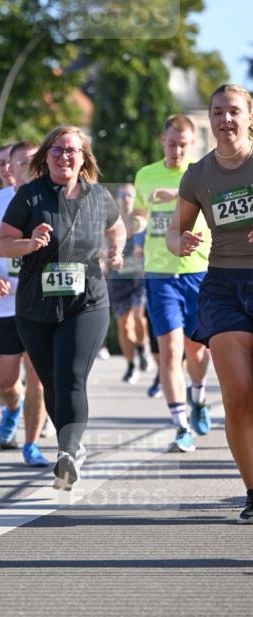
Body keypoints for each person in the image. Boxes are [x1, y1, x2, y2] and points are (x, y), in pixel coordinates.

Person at [0, 125, 125, 490]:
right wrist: (30, 243)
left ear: (83, 158)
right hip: (36, 306)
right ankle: (72, 445)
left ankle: (67, 453)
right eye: (57, 150)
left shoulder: (98, 196)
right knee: (51, 383)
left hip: (87, 302)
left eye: (72, 151)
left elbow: (117, 228)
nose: (64, 156)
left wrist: (115, 248)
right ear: (46, 155)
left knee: (70, 376)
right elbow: (3, 245)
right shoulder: (28, 195)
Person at [167, 84, 253, 524]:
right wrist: (180, 239)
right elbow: (173, 230)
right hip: (221, 285)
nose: (225, 120)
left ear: (249, 116)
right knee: (238, 398)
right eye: (218, 112)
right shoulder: (198, 174)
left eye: (233, 111)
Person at [132, 115, 212, 452]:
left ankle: (198, 395)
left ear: (192, 145)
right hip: (160, 273)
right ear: (162, 140)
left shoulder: (203, 174)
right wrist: (136, 220)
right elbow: (138, 215)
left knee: (198, 351)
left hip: (199, 271)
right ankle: (181, 426)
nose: (177, 150)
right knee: (170, 352)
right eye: (171, 143)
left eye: (183, 145)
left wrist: (180, 197)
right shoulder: (146, 175)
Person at [0, 141, 49, 465]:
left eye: (33, 162)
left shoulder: (52, 199)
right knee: (5, 381)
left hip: (42, 303)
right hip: (4, 304)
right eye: (18, 163)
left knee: (38, 379)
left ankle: (31, 445)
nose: (24, 167)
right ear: (10, 168)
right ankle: (12, 409)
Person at [106, 184, 150, 384]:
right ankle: (131, 364)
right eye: (122, 195)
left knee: (139, 316)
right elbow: (101, 247)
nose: (126, 198)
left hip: (139, 277)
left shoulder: (142, 221)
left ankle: (142, 347)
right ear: (117, 199)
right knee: (124, 326)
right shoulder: (110, 222)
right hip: (118, 278)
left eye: (130, 194)